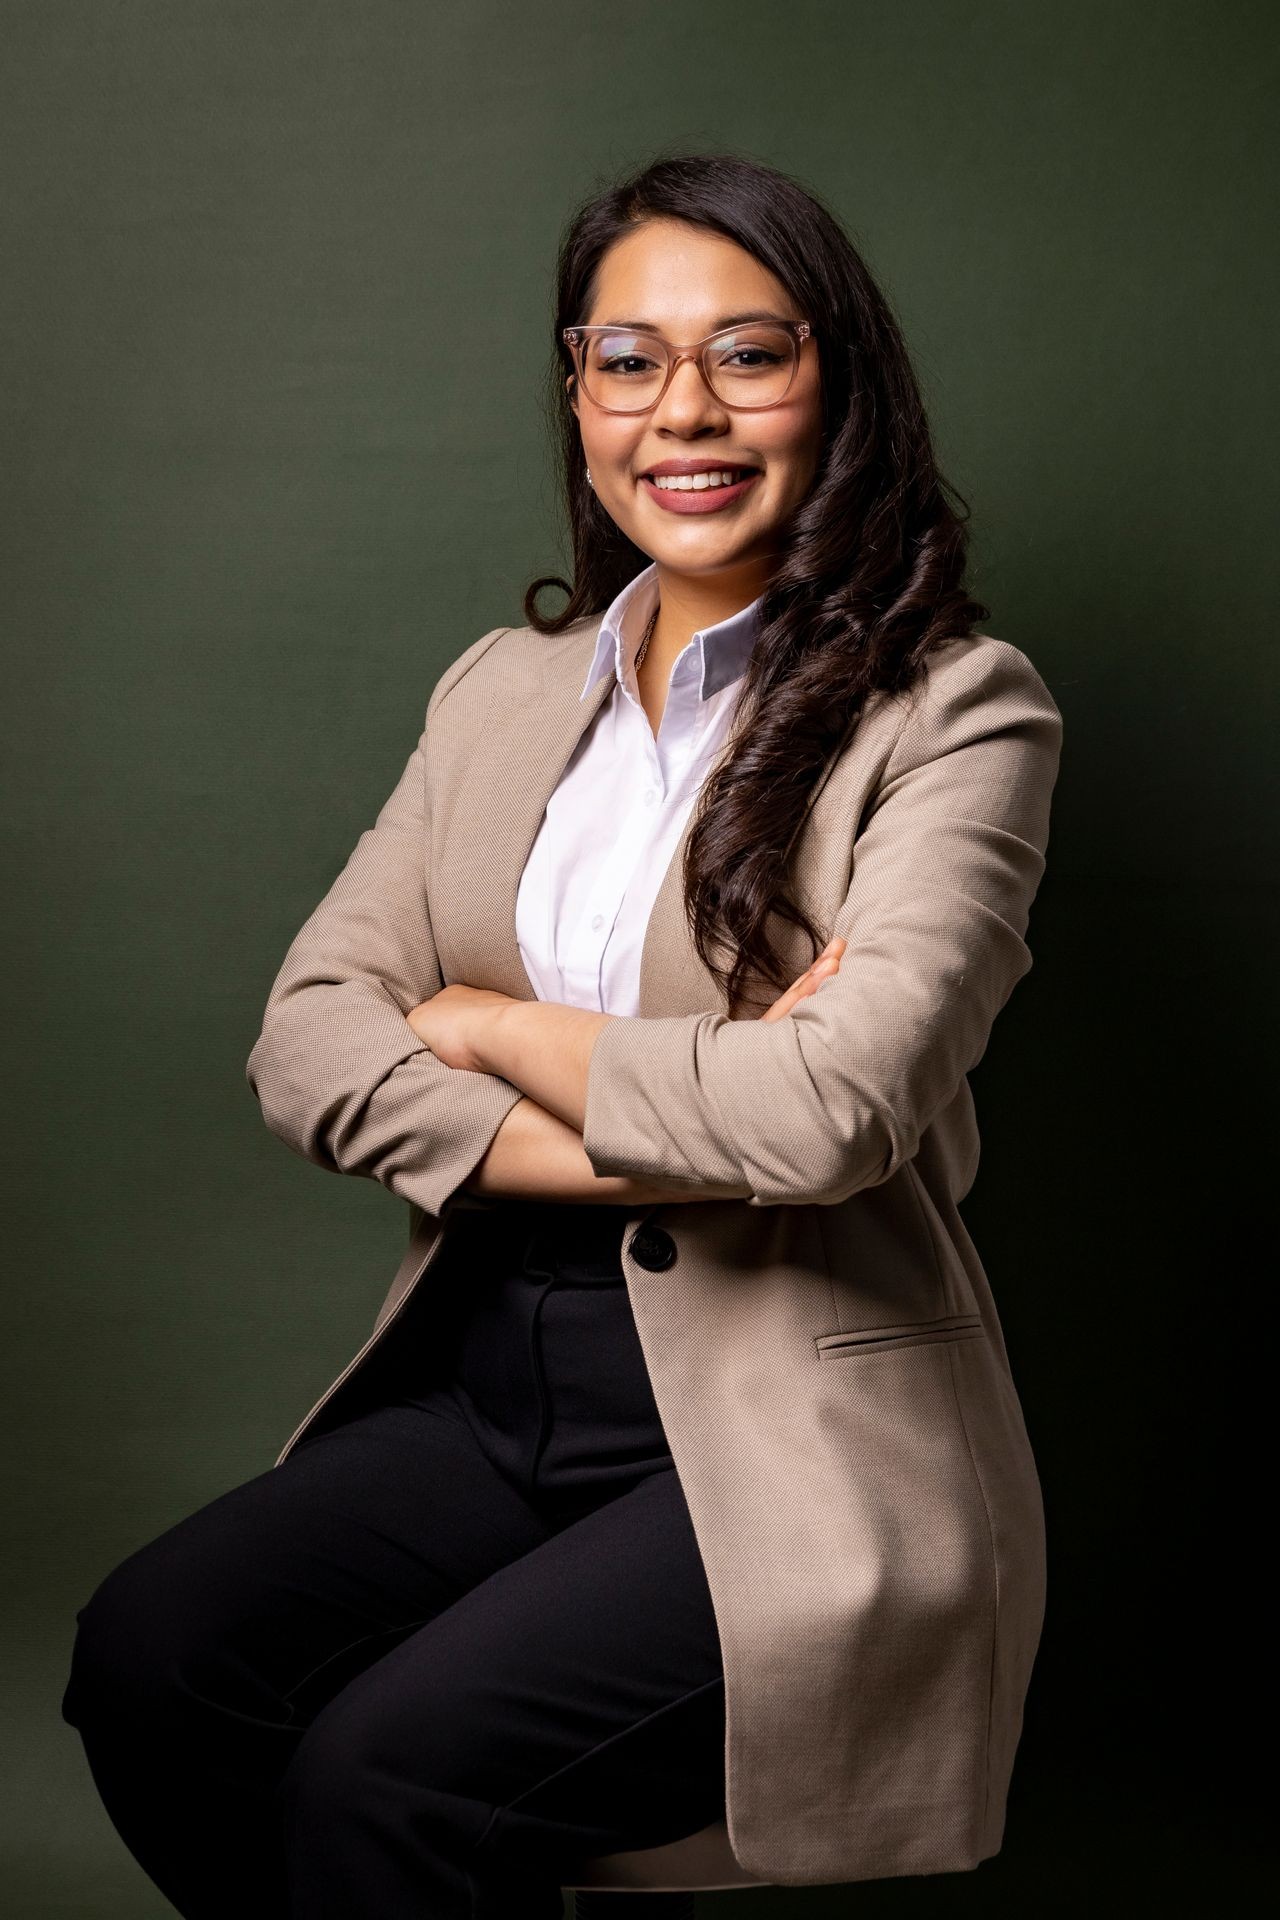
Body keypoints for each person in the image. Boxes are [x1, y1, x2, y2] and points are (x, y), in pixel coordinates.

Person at [61, 153, 1063, 1916]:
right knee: (153, 1661)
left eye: (751, 354)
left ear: (842, 387)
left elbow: (834, 1115)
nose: (686, 410)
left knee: (385, 1784)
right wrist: (695, 1108)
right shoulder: (499, 694)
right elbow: (306, 1043)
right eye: (628, 359)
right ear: (578, 394)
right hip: (494, 1376)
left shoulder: (960, 713)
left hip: (783, 1420)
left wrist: (489, 1026)